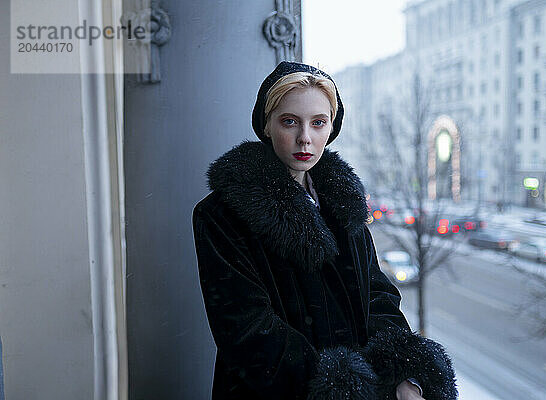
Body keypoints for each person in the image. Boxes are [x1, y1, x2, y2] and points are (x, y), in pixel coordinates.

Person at [192, 61, 457, 400]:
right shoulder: (221, 214)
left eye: (318, 123)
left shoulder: (342, 203)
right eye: (290, 122)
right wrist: (337, 388)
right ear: (267, 126)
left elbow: (378, 295)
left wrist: (402, 373)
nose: (305, 138)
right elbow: (247, 330)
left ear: (331, 128)